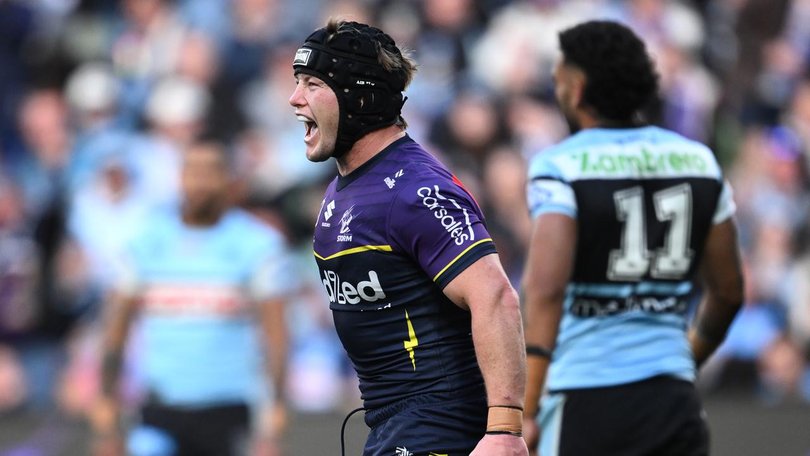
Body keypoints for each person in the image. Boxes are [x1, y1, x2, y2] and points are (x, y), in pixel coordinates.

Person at [288, 19, 529, 456]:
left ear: (358, 95)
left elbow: (496, 297)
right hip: (392, 427)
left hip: (440, 432)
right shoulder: (343, 187)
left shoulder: (415, 190)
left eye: (312, 83)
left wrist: (505, 431)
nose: (295, 98)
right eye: (296, 82)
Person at [521, 20, 744, 456]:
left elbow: (545, 290)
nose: (558, 92)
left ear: (579, 88)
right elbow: (730, 291)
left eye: (560, 82)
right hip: (672, 399)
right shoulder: (698, 161)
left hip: (586, 396)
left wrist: (522, 414)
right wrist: (685, 358)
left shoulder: (560, 166)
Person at [90, 141, 292, 456]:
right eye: (192, 171)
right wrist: (106, 401)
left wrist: (274, 411)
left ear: (228, 180)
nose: (200, 182)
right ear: (180, 177)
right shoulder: (145, 244)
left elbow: (276, 337)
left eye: (210, 172)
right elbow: (115, 330)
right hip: (160, 409)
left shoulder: (258, 246)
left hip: (230, 409)